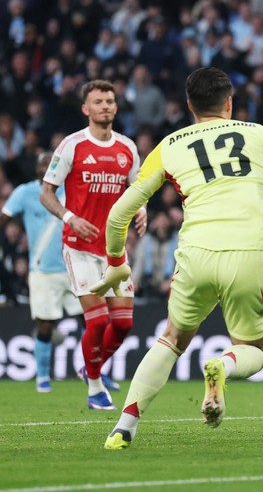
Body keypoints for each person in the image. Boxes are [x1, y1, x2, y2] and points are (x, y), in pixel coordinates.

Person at [92, 67, 263, 450]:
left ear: (189, 106)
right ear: (229, 103)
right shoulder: (260, 134)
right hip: (253, 251)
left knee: (171, 338)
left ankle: (124, 427)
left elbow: (119, 214)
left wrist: (116, 261)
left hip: (196, 253)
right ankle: (224, 365)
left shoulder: (169, 145)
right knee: (257, 349)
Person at [40, 80, 147, 411]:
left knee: (124, 324)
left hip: (114, 251)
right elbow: (47, 192)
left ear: (116, 107)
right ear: (86, 109)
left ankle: (89, 366)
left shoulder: (127, 147)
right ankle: (95, 387)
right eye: (98, 101)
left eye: (110, 101)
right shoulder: (72, 146)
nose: (105, 106)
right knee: (98, 322)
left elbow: (136, 190)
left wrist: (141, 209)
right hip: (79, 247)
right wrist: (70, 217)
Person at [0, 152, 84, 393]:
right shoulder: (25, 193)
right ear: (36, 168)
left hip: (74, 267)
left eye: (51, 164)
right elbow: (4, 218)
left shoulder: (71, 191)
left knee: (91, 321)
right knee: (45, 325)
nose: (47, 167)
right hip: (43, 271)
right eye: (42, 164)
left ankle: (94, 373)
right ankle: (43, 378)